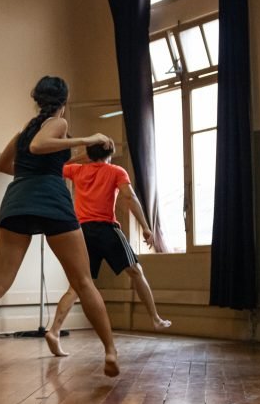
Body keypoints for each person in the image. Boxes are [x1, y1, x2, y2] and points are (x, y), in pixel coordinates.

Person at [0, 76, 121, 377]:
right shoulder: (56, 124)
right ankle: (110, 351)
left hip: (19, 198)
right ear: (64, 101)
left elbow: (4, 165)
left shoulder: (24, 131)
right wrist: (86, 138)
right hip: (51, 199)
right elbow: (40, 145)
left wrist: (72, 156)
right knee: (84, 282)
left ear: (37, 99)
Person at [44, 142, 171, 357]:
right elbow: (130, 198)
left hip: (81, 232)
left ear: (89, 153)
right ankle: (156, 319)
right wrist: (146, 228)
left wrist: (79, 156)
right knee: (135, 271)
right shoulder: (115, 171)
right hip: (106, 229)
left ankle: (54, 331)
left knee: (77, 286)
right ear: (109, 155)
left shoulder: (77, 169)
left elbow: (56, 167)